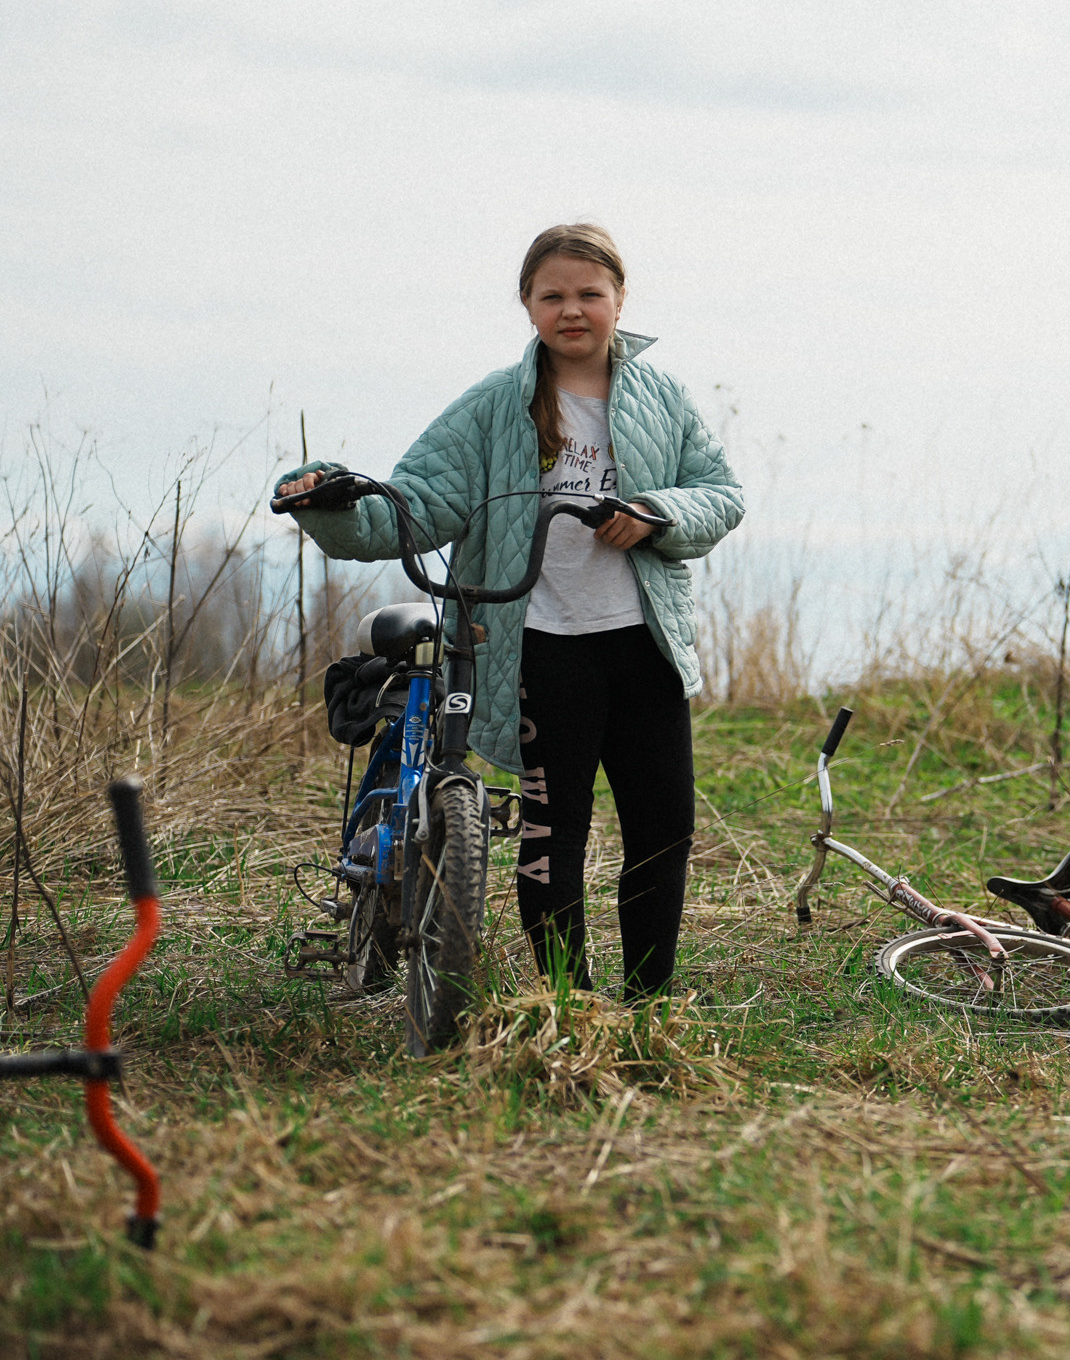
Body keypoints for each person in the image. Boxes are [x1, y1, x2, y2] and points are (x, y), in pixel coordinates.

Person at [275, 223, 745, 1000]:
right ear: (527, 304)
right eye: (552, 294)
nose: (572, 310)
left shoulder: (664, 398)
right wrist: (329, 506)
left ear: (619, 300)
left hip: (644, 645)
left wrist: (656, 512)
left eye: (589, 294)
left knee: (664, 832)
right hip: (539, 649)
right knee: (550, 837)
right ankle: (568, 1000)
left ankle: (645, 1003)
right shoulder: (495, 406)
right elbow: (416, 508)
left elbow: (721, 495)